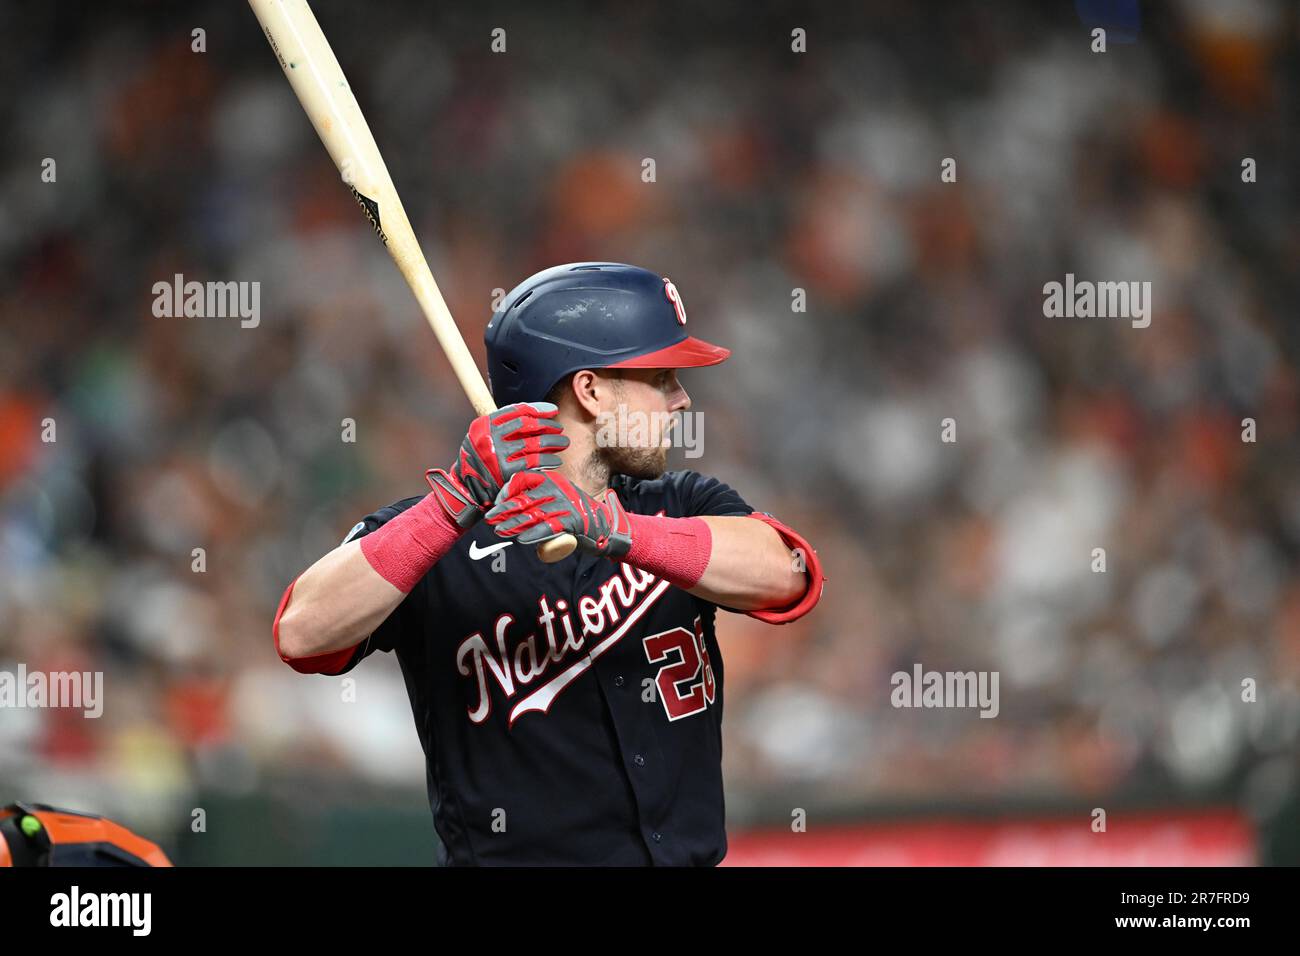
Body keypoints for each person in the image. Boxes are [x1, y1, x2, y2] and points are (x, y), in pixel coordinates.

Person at [273, 262, 824, 865]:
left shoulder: (678, 504)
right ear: (590, 390)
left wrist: (611, 528)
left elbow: (787, 575)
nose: (680, 399)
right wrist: (450, 506)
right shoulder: (436, 534)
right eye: (661, 377)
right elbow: (302, 632)